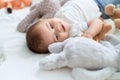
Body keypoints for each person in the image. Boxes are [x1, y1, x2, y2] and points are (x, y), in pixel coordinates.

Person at [26, 0, 120, 53]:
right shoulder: (73, 31)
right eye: (56, 36)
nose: (58, 29)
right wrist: (89, 34)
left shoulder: (55, 16)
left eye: (50, 26)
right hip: (100, 4)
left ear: (44, 20)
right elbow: (98, 22)